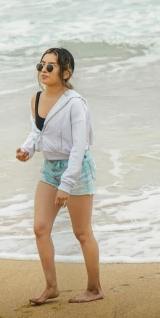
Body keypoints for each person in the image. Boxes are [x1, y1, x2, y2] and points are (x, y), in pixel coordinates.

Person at [15, 47, 103, 304]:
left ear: (66, 72)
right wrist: (26, 150)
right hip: (50, 169)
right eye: (41, 65)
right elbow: (37, 132)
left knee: (82, 232)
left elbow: (79, 146)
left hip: (76, 169)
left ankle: (95, 288)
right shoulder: (36, 99)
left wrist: (67, 183)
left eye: (50, 66)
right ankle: (51, 287)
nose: (44, 70)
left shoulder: (75, 103)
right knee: (40, 228)